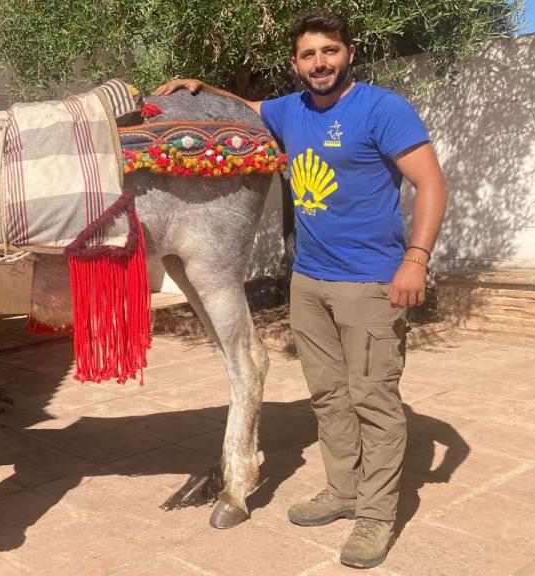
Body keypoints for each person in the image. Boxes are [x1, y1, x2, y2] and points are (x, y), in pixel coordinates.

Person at [154, 8, 448, 569]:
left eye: (329, 51)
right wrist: (199, 87)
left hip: (371, 280)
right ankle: (342, 491)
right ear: (296, 64)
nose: (320, 63)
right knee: (330, 397)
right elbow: (246, 108)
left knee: (374, 400)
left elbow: (432, 182)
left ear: (349, 54)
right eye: (309, 55)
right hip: (310, 280)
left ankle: (377, 515)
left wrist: (416, 259)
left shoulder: (383, 108)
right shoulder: (291, 110)